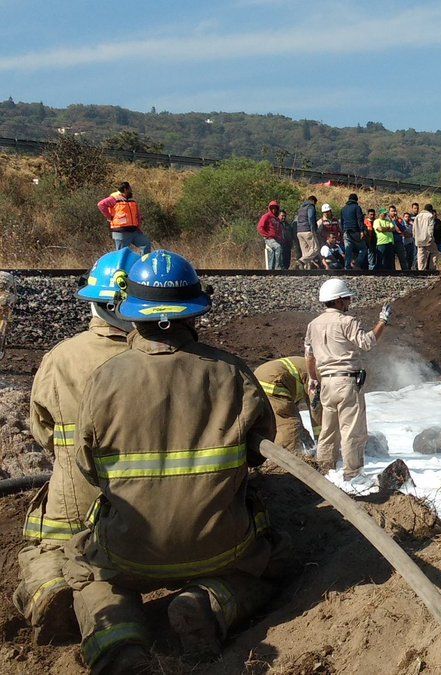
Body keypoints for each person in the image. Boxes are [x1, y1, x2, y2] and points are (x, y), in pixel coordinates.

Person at [65, 250, 282, 671]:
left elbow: (87, 466)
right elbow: (260, 452)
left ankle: (122, 644)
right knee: (268, 565)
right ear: (194, 313)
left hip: (131, 553)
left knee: (94, 581)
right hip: (223, 548)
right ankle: (207, 602)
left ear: (132, 313)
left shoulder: (104, 378)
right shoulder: (233, 373)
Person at [15, 250, 136, 646]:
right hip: (139, 508)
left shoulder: (59, 358)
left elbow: (42, 431)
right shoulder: (155, 360)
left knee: (46, 548)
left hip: (73, 504)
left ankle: (47, 586)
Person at [305, 279, 392, 493]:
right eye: (347, 298)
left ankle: (325, 470)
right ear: (339, 300)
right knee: (351, 430)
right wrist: (383, 321)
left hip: (325, 383)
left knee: (328, 430)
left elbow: (309, 355)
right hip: (346, 381)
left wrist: (313, 379)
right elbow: (367, 342)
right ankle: (352, 474)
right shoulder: (347, 321)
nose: (350, 301)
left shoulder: (313, 324)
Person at [254, 356, 322, 455]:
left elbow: (294, 410)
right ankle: (286, 464)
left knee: (277, 421)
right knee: (288, 425)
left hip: (261, 377)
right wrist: (321, 441)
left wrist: (303, 433)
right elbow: (316, 408)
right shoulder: (318, 374)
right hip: (273, 380)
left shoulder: (307, 366)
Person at [97, 181, 151, 252]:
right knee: (122, 254)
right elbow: (101, 204)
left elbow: (137, 214)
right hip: (121, 232)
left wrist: (138, 225)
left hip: (134, 231)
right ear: (125, 189)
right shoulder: (114, 199)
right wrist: (109, 217)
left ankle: (143, 263)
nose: (131, 191)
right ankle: (121, 263)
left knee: (146, 244)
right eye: (130, 189)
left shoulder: (131, 200)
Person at [341, 194, 366, 270]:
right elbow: (359, 220)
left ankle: (347, 267)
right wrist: (362, 231)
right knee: (363, 248)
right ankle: (356, 263)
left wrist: (343, 231)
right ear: (356, 200)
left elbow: (342, 222)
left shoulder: (343, 209)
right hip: (355, 231)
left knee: (348, 250)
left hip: (346, 232)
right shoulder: (357, 207)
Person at [257, 200, 285, 270]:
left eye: (275, 208)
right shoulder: (266, 216)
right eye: (272, 208)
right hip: (269, 238)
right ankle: (277, 268)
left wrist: (281, 238)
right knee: (278, 247)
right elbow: (260, 227)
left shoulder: (276, 219)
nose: (274, 209)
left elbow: (279, 230)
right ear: (269, 208)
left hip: (277, 239)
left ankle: (271, 269)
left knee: (274, 253)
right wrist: (266, 235)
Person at [296, 196, 320, 269]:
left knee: (306, 253)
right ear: (313, 201)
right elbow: (311, 217)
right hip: (307, 230)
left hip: (299, 232)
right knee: (316, 248)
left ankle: (306, 269)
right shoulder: (310, 207)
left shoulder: (301, 208)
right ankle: (301, 261)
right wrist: (313, 230)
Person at [413, 203, 437, 271]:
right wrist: (431, 237)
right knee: (434, 251)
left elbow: (414, 228)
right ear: (430, 210)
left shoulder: (418, 216)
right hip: (427, 238)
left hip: (418, 239)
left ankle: (421, 270)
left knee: (421, 255)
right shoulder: (430, 216)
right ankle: (432, 268)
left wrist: (415, 236)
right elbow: (430, 228)